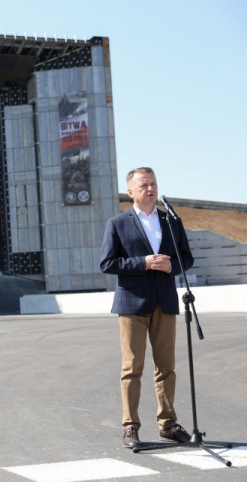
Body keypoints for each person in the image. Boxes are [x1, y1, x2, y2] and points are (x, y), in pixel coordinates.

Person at [99, 167, 195, 449]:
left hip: (165, 302)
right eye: (143, 185)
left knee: (166, 367)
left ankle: (168, 424)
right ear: (131, 192)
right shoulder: (117, 223)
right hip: (132, 304)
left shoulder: (171, 220)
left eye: (153, 183)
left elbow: (186, 259)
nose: (150, 188)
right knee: (132, 367)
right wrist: (143, 263)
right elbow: (107, 263)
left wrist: (170, 266)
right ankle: (130, 427)